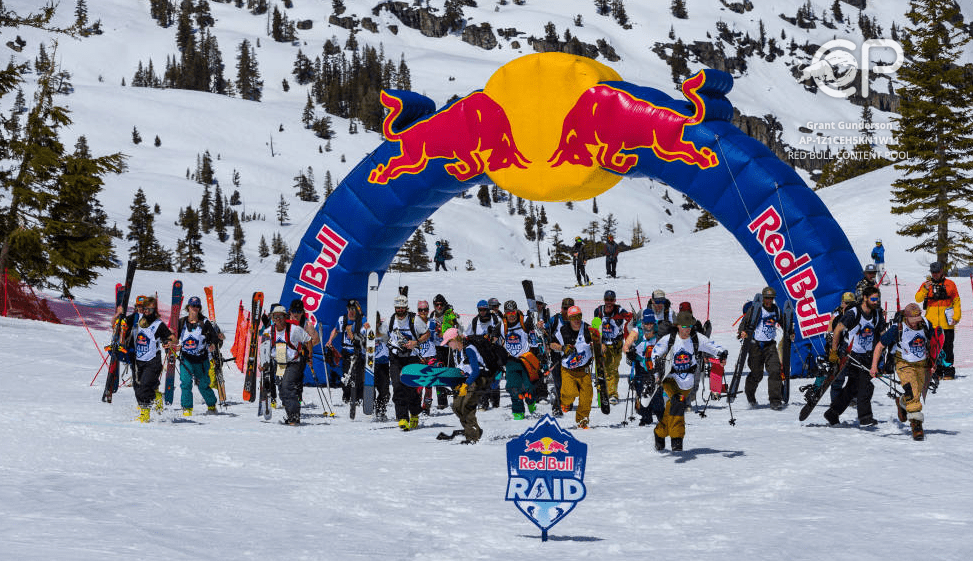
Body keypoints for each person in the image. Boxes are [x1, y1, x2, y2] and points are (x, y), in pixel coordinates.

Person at [650, 310, 727, 451]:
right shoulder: (669, 339)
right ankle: (677, 440)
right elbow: (655, 352)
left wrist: (722, 353)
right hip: (670, 379)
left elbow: (712, 346)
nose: (687, 329)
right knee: (678, 402)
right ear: (678, 325)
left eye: (689, 326)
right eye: (684, 327)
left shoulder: (696, 338)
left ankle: (659, 433)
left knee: (672, 408)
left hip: (688, 382)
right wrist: (657, 365)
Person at [869, 303, 936, 440]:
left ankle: (902, 402)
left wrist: (933, 363)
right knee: (912, 392)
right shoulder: (898, 328)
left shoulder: (926, 324)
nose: (915, 324)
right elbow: (879, 346)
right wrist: (874, 366)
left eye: (917, 320)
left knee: (915, 392)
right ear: (906, 318)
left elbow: (935, 344)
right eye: (913, 321)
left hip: (922, 364)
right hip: (904, 364)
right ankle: (916, 425)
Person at [824, 285, 885, 428]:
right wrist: (834, 352)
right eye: (873, 299)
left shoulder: (876, 314)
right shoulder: (853, 313)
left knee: (852, 387)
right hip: (852, 355)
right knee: (865, 386)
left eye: (878, 299)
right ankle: (865, 417)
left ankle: (833, 412)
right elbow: (838, 329)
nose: (876, 302)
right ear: (865, 298)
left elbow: (882, 334)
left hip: (868, 355)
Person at [115, 296, 176, 423]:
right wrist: (118, 315)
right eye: (144, 309)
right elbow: (118, 326)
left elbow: (173, 338)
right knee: (137, 388)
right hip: (137, 360)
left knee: (144, 387)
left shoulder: (158, 324)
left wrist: (169, 342)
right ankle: (157, 396)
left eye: (149, 309)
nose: (146, 311)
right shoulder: (136, 319)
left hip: (153, 361)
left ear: (154, 310)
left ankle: (145, 414)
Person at [263, 304, 319, 425]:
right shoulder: (268, 332)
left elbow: (308, 340)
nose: (278, 319)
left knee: (287, 386)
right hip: (279, 362)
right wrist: (263, 363)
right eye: (275, 317)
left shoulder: (294, 329)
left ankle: (294, 417)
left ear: (285, 317)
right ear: (272, 318)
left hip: (293, 362)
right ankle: (291, 415)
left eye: (281, 317)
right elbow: (264, 348)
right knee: (282, 390)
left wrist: (309, 356)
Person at [738, 287, 792, 410]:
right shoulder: (756, 309)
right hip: (755, 345)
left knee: (775, 370)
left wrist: (790, 333)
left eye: (771, 298)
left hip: (770, 345)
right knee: (757, 374)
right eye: (767, 298)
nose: (769, 300)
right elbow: (744, 323)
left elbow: (785, 323)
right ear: (763, 298)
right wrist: (742, 332)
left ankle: (775, 400)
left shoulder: (776, 310)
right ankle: (750, 395)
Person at [174, 296, 222, 416]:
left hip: (201, 359)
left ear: (199, 308)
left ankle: (211, 404)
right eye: (192, 306)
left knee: (203, 385)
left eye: (197, 306)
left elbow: (214, 337)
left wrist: (212, 344)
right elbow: (174, 338)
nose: (194, 308)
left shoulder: (204, 322)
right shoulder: (181, 322)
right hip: (186, 358)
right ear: (188, 307)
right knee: (185, 383)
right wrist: (173, 344)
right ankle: (187, 408)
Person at [388, 295, 430, 430]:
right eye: (398, 308)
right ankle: (402, 418)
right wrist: (371, 327)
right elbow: (380, 333)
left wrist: (415, 342)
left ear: (407, 308)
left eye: (402, 308)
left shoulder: (415, 319)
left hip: (412, 357)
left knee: (411, 387)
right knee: (397, 385)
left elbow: (427, 333)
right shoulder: (391, 320)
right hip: (396, 358)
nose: (400, 310)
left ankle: (415, 413)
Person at [549, 305, 594, 429]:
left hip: (584, 369)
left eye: (579, 316)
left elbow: (598, 343)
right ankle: (564, 401)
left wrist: (598, 346)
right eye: (573, 317)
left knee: (587, 396)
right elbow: (552, 344)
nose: (577, 320)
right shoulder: (562, 331)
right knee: (570, 394)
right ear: (569, 318)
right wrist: (563, 348)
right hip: (568, 370)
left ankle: (582, 420)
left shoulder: (587, 329)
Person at [916, 261, 961, 380]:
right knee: (933, 348)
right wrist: (925, 289)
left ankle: (948, 371)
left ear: (942, 271)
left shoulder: (950, 284)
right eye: (933, 272)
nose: (935, 274)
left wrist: (956, 317)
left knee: (947, 347)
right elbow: (918, 298)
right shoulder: (927, 284)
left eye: (937, 272)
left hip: (947, 323)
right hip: (932, 323)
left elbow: (956, 302)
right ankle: (936, 371)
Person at [443, 328, 488, 443]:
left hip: (479, 379)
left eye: (449, 342)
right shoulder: (459, 352)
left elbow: (476, 371)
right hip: (469, 381)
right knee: (457, 406)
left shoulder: (469, 350)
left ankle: (473, 436)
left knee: (466, 406)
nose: (448, 345)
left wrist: (465, 385)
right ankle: (474, 430)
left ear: (455, 339)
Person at [623, 309, 663, 426]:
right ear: (643, 322)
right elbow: (625, 346)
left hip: (655, 366)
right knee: (641, 391)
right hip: (641, 364)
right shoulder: (637, 332)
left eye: (651, 323)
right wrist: (629, 352)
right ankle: (646, 417)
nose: (649, 326)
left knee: (657, 391)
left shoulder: (658, 331)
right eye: (646, 323)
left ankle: (661, 415)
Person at [593, 289, 633, 404]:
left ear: (615, 301)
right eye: (607, 300)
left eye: (611, 300)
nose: (609, 302)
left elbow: (630, 319)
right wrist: (600, 343)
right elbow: (595, 328)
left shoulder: (619, 311)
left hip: (616, 345)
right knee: (603, 369)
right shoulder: (599, 311)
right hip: (604, 344)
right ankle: (608, 392)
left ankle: (612, 393)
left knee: (612, 369)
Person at [500, 300, 537, 420]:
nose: (511, 315)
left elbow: (535, 330)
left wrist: (537, 326)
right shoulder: (502, 325)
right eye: (508, 312)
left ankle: (531, 402)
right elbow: (494, 338)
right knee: (513, 387)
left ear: (516, 311)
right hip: (511, 361)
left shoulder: (525, 321)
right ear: (505, 313)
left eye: (513, 312)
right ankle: (518, 413)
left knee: (528, 387)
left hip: (526, 360)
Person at [326, 299, 366, 405]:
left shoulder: (363, 320)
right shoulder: (342, 319)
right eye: (349, 309)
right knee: (346, 376)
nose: (351, 311)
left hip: (358, 352)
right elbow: (336, 330)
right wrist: (330, 340)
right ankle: (347, 395)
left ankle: (358, 397)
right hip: (346, 351)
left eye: (353, 309)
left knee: (357, 376)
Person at [467, 299, 502, 410]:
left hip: (495, 352)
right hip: (481, 354)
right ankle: (483, 402)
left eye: (484, 309)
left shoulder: (496, 319)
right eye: (480, 310)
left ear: (488, 309)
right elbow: (467, 335)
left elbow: (503, 332)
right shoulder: (474, 321)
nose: (482, 312)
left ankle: (495, 401)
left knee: (496, 377)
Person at [543, 297, 575, 416]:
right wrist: (541, 328)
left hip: (572, 356)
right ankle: (557, 405)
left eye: (569, 309)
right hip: (557, 354)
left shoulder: (576, 320)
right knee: (557, 381)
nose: (566, 311)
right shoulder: (555, 319)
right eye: (564, 308)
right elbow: (544, 330)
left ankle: (567, 400)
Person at [828, 292, 857, 404]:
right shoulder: (837, 313)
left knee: (855, 375)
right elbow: (831, 330)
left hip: (854, 347)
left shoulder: (856, 312)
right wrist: (833, 350)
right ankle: (835, 400)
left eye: (852, 303)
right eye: (847, 303)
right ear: (842, 303)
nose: (849, 305)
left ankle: (852, 397)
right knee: (838, 377)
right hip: (840, 347)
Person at [416, 300, 440, 414]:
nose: (423, 312)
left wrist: (441, 331)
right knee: (419, 384)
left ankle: (426, 407)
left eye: (425, 310)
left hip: (431, 356)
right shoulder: (414, 322)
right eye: (420, 310)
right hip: (419, 357)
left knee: (429, 384)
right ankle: (416, 405)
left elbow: (440, 337)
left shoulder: (433, 322)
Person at [373, 312, 391, 420]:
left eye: (376, 321)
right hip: (370, 364)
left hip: (383, 363)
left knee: (385, 391)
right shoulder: (364, 329)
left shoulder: (385, 328)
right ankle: (371, 409)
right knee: (370, 390)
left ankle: (381, 410)